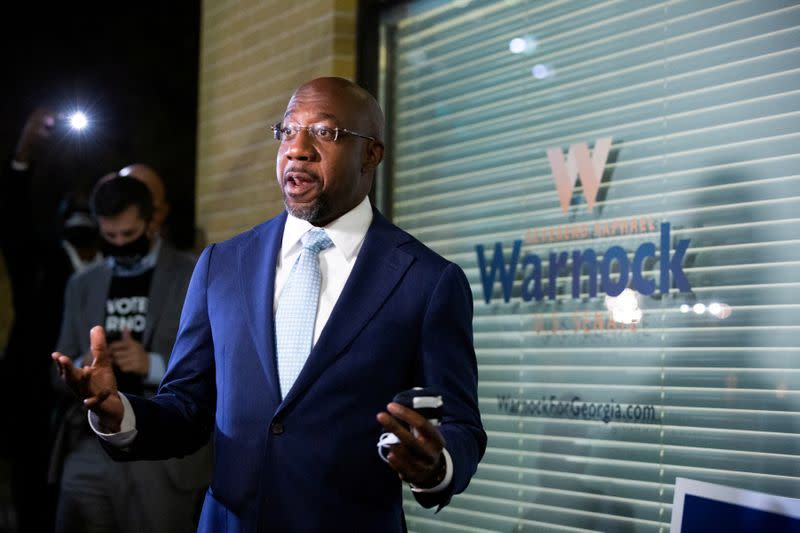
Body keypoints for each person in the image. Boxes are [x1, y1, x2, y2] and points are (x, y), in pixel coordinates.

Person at [53, 76, 486, 532]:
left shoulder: (428, 280)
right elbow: (187, 406)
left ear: (372, 154)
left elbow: (461, 425)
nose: (297, 148)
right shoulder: (222, 264)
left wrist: (437, 465)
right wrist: (118, 411)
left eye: (325, 132)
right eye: (287, 130)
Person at [51, 175, 211, 533]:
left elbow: (216, 361)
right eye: (110, 237)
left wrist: (151, 364)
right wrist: (78, 372)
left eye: (129, 234)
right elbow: (60, 359)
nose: (120, 244)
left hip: (160, 446)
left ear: (151, 222)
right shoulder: (82, 284)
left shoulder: (193, 271)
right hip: (89, 444)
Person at [0, 107, 100, 533]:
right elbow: (14, 218)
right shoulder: (40, 263)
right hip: (35, 402)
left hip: (90, 412)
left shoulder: (120, 265)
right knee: (34, 496)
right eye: (72, 208)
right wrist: (24, 153)